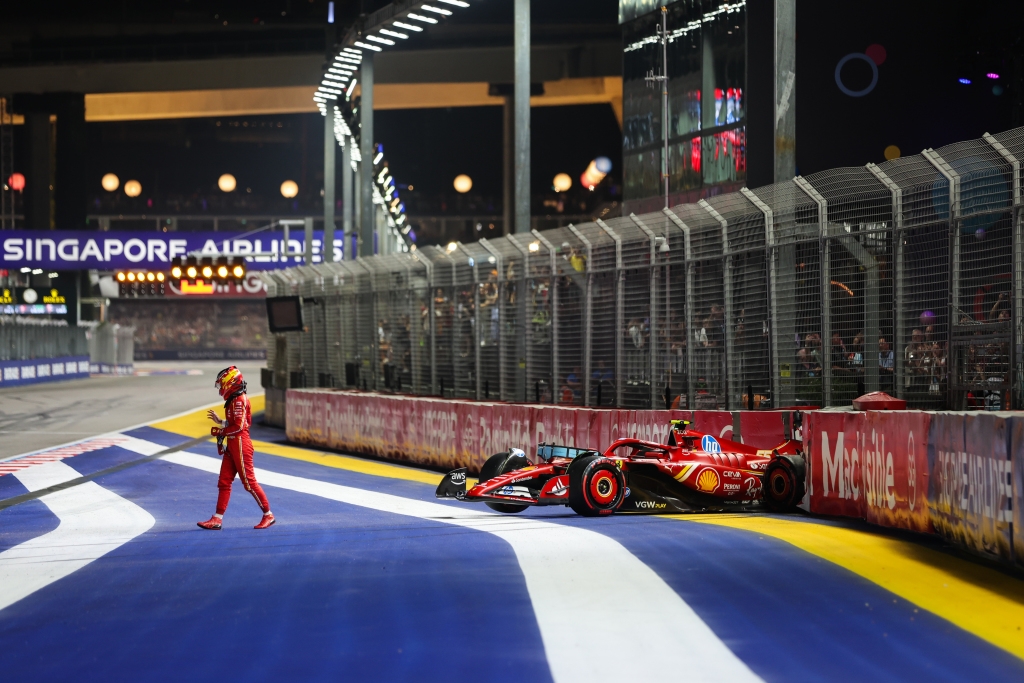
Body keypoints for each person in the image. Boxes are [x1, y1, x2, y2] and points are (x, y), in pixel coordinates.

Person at [197, 366, 275, 530]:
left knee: (249, 483)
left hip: (240, 444)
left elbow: (239, 427)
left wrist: (221, 431)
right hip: (234, 443)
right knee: (224, 481)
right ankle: (217, 519)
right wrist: (221, 422)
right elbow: (241, 423)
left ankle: (268, 515)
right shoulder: (235, 399)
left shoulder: (239, 400)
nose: (220, 389)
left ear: (229, 383)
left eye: (221, 385)